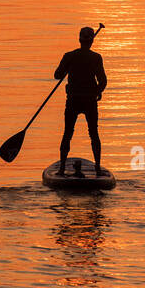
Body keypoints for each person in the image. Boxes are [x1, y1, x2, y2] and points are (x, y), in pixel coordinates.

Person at [54, 26, 107, 176]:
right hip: (89, 101)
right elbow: (103, 82)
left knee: (67, 133)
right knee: (94, 134)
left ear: (79, 40)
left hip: (73, 101)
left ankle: (62, 168)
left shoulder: (69, 56)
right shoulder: (96, 58)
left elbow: (57, 75)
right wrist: (97, 92)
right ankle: (97, 168)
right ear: (91, 42)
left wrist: (67, 68)